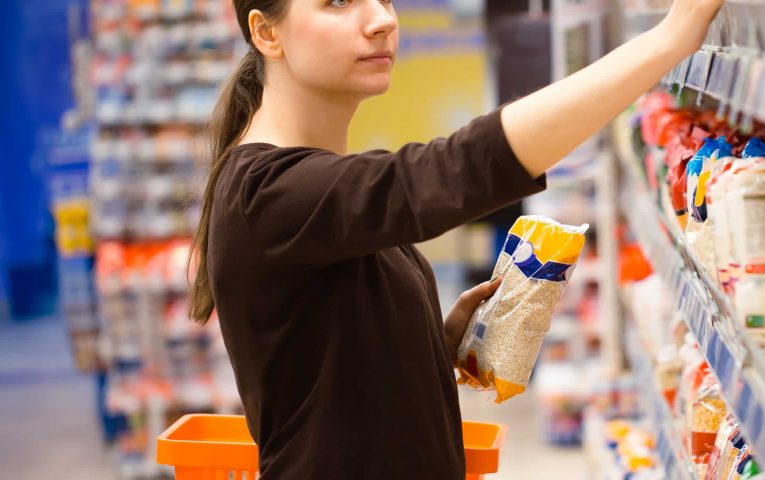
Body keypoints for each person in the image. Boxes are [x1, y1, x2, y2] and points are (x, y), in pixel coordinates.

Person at [188, 0, 722, 477]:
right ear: (266, 33)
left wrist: (430, 346)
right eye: (340, 2)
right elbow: (454, 169)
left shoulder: (308, 184)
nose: (382, 20)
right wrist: (668, 39)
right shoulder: (266, 192)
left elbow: (321, 372)